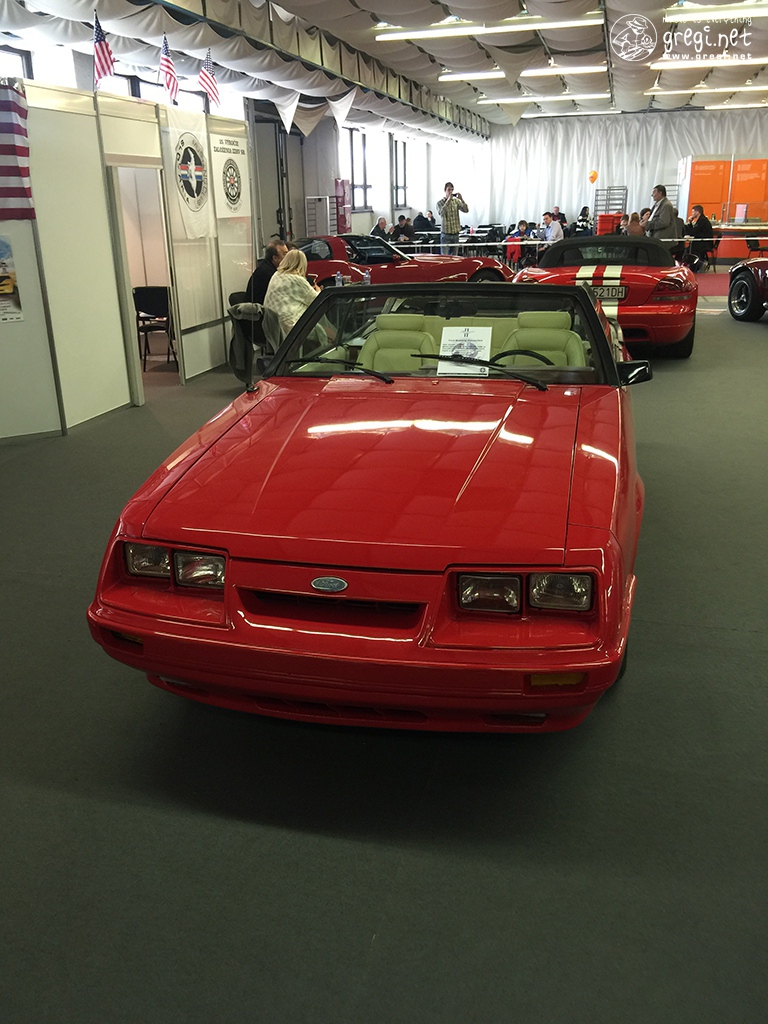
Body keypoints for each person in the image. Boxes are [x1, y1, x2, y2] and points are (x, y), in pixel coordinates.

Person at [263, 248, 321, 337]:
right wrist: (318, 290)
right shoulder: (297, 280)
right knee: (321, 319)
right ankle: (335, 340)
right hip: (291, 327)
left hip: (272, 325)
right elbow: (316, 301)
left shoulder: (276, 275)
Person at [245, 239, 288, 305]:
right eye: (285, 254)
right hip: (259, 310)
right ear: (275, 258)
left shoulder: (265, 267)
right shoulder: (269, 274)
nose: (288, 257)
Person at [436, 181, 469, 254]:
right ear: (445, 190)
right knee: (445, 257)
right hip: (446, 234)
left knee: (454, 256)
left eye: (452, 190)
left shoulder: (456, 201)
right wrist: (448, 201)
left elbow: (466, 210)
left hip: (455, 234)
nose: (450, 192)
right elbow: (441, 213)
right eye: (448, 190)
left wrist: (461, 199)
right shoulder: (440, 203)